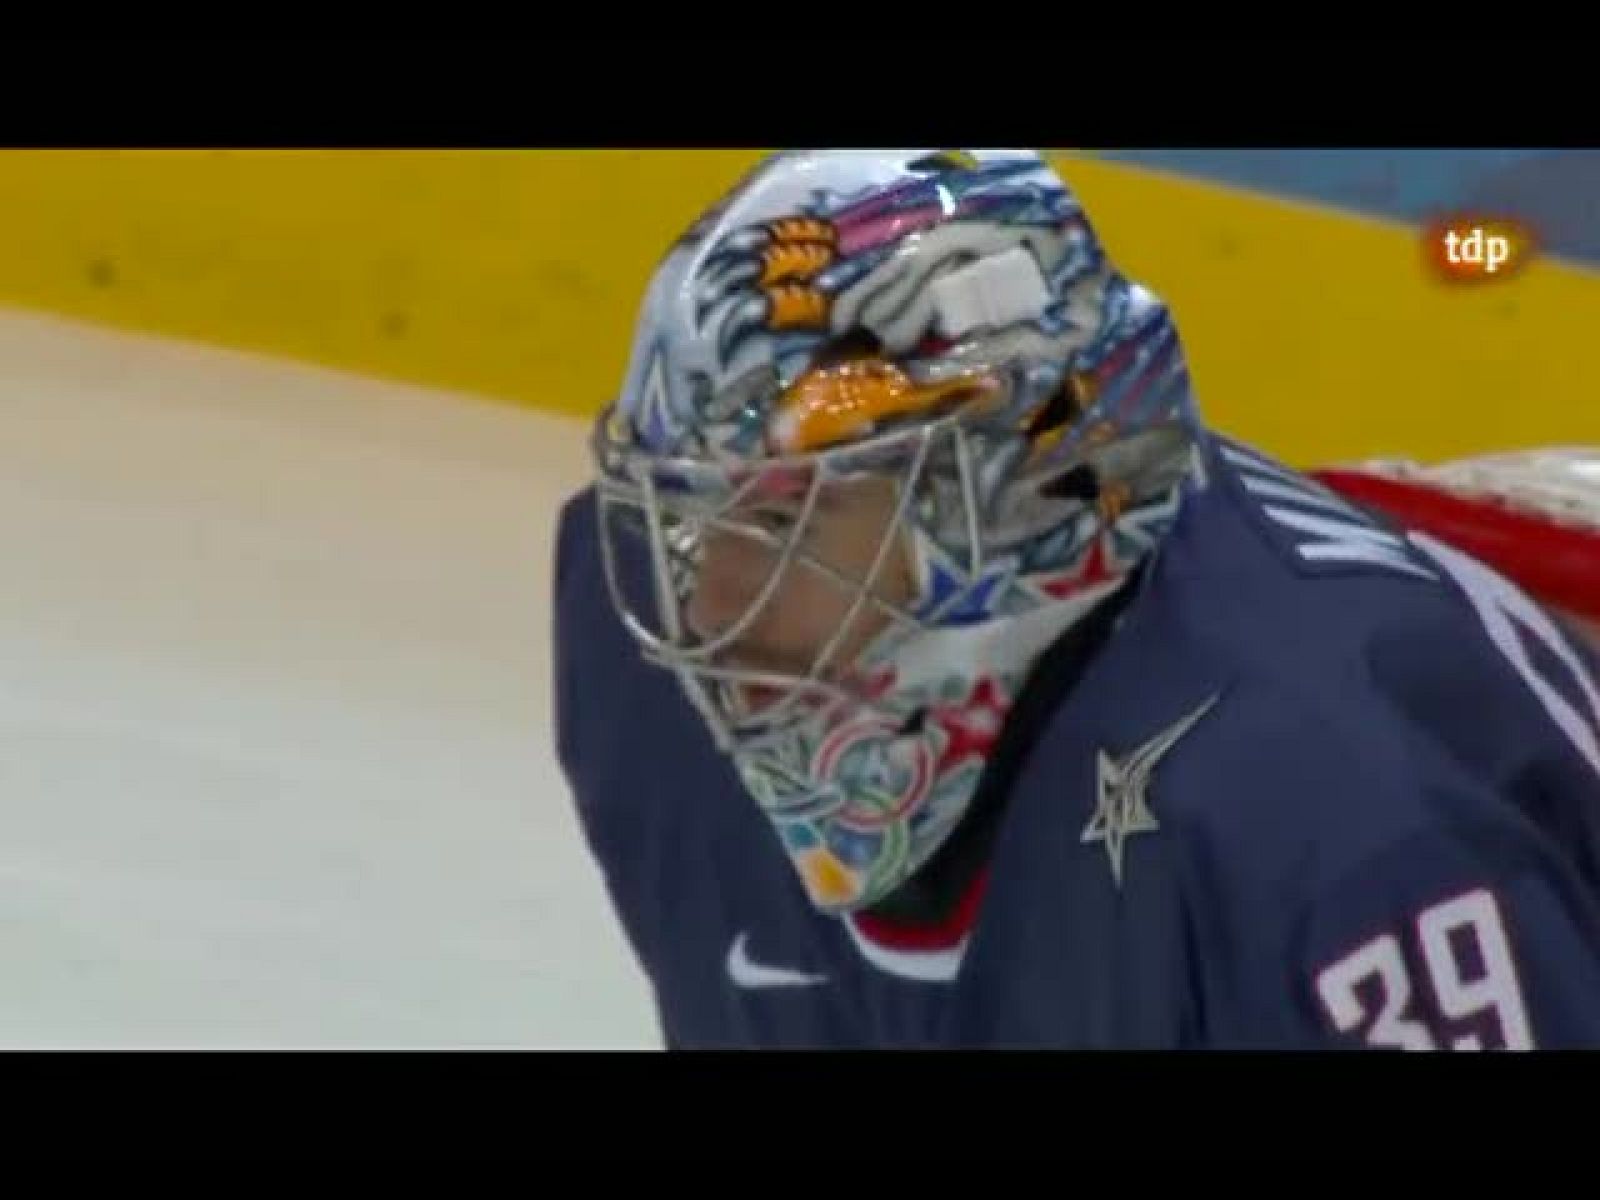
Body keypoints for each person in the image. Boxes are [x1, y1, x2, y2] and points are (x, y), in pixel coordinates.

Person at [552, 149, 1600, 1049]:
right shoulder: (637, 664)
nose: (708, 611)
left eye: (788, 524)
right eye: (696, 518)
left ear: (1022, 493)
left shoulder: (1330, 839)